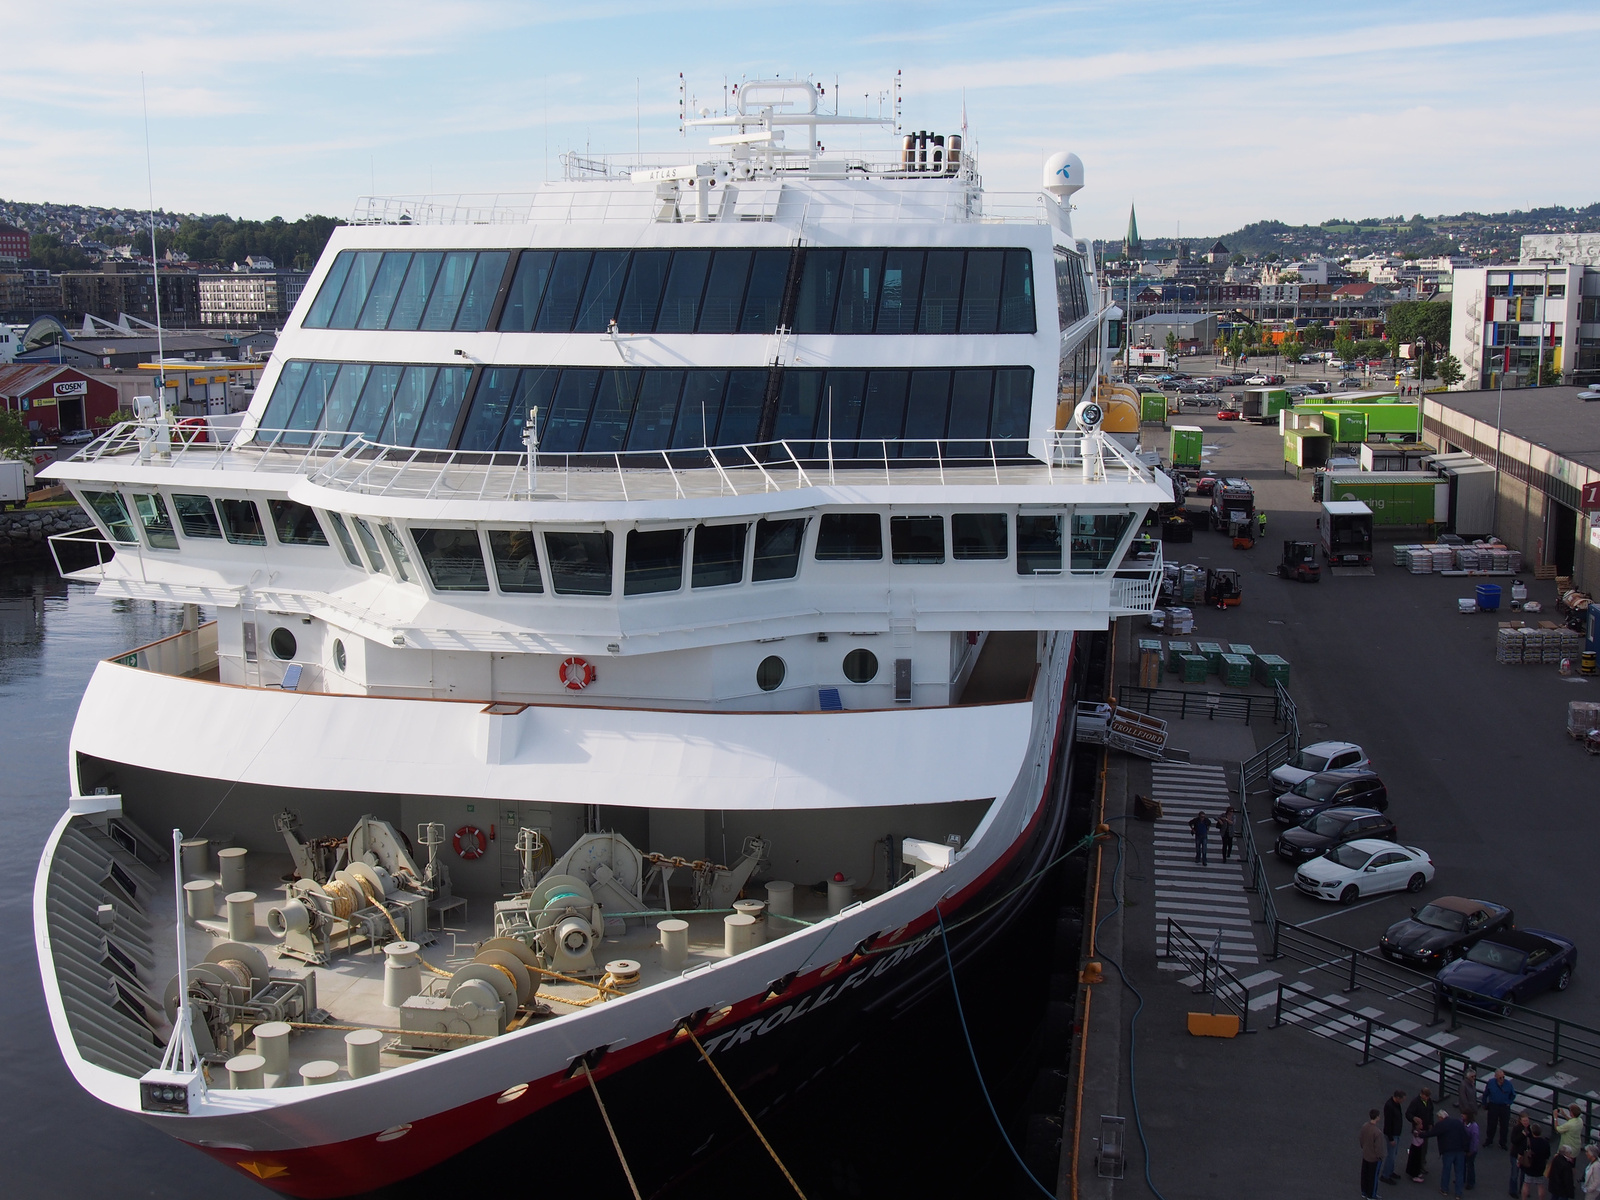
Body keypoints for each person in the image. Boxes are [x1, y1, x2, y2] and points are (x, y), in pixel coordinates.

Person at [1431, 1107, 1470, 1198]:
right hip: (1459, 1151)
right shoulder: (1458, 1122)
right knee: (1459, 1173)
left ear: (1441, 1118)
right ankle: (1458, 1194)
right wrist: (1467, 1150)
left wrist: (1420, 1134)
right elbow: (1465, 1137)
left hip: (1448, 1151)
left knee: (1446, 1170)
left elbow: (1431, 1133)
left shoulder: (1441, 1125)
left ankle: (1444, 1189)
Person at [1484, 1069, 1517, 1150]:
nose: (1502, 1079)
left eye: (1503, 1077)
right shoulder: (1491, 1083)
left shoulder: (1508, 1084)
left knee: (1504, 1125)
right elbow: (1485, 1094)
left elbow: (1513, 1095)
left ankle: (1503, 1142)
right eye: (1500, 1078)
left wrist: (1509, 1102)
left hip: (1504, 1107)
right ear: (1495, 1077)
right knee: (1491, 1124)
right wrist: (1484, 1103)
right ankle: (1489, 1140)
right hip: (1493, 1106)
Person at [1409, 1088, 1438, 1180]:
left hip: (1425, 1129)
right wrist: (1414, 1119)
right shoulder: (1415, 1102)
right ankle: (1417, 1167)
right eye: (1426, 1096)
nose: (1427, 1098)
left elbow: (1431, 1113)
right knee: (1418, 1149)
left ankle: (1422, 1165)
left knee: (1424, 1149)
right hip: (1418, 1129)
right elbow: (1408, 1114)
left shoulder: (1429, 1102)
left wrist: (1431, 1123)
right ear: (1422, 1094)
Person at [1383, 1089, 1408, 1184]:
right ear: (1398, 1098)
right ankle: (1385, 1175)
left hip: (1395, 1133)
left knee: (1394, 1154)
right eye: (1403, 1099)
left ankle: (1390, 1171)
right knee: (1391, 1156)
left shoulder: (1395, 1104)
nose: (1403, 1101)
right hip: (1392, 1134)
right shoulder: (1390, 1106)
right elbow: (1388, 1124)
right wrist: (1391, 1138)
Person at [1361, 1108, 1386, 1199]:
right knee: (1373, 1177)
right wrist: (1380, 1156)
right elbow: (1378, 1147)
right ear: (1377, 1117)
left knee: (1365, 1174)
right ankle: (1371, 1195)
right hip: (1374, 1158)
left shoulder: (1365, 1126)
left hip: (1366, 1154)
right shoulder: (1377, 1132)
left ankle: (1364, 1191)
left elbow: (1361, 1139)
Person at [1523, 1123, 1552, 1200]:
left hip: (1530, 1165)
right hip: (1540, 1166)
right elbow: (1547, 1155)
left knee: (1526, 1184)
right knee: (1540, 1186)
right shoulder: (1545, 1142)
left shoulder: (1530, 1142)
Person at [1513, 1116, 1535, 1197]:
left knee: (1524, 1175)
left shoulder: (1530, 1129)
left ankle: (1522, 1190)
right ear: (1520, 1121)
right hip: (1516, 1154)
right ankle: (1513, 1191)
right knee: (1515, 1174)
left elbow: (1532, 1140)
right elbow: (1514, 1141)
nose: (1526, 1122)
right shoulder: (1517, 1129)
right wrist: (1523, 1135)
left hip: (1525, 1155)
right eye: (1524, 1121)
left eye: (1527, 1120)